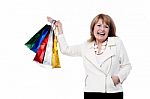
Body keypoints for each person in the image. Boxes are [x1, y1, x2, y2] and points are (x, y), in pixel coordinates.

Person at [47, 13, 132, 99]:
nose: (102, 29)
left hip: (112, 91)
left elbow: (127, 65)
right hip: (91, 91)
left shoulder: (116, 43)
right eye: (99, 25)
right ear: (93, 28)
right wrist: (60, 28)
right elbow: (66, 50)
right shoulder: (86, 46)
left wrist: (118, 78)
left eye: (106, 26)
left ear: (110, 30)